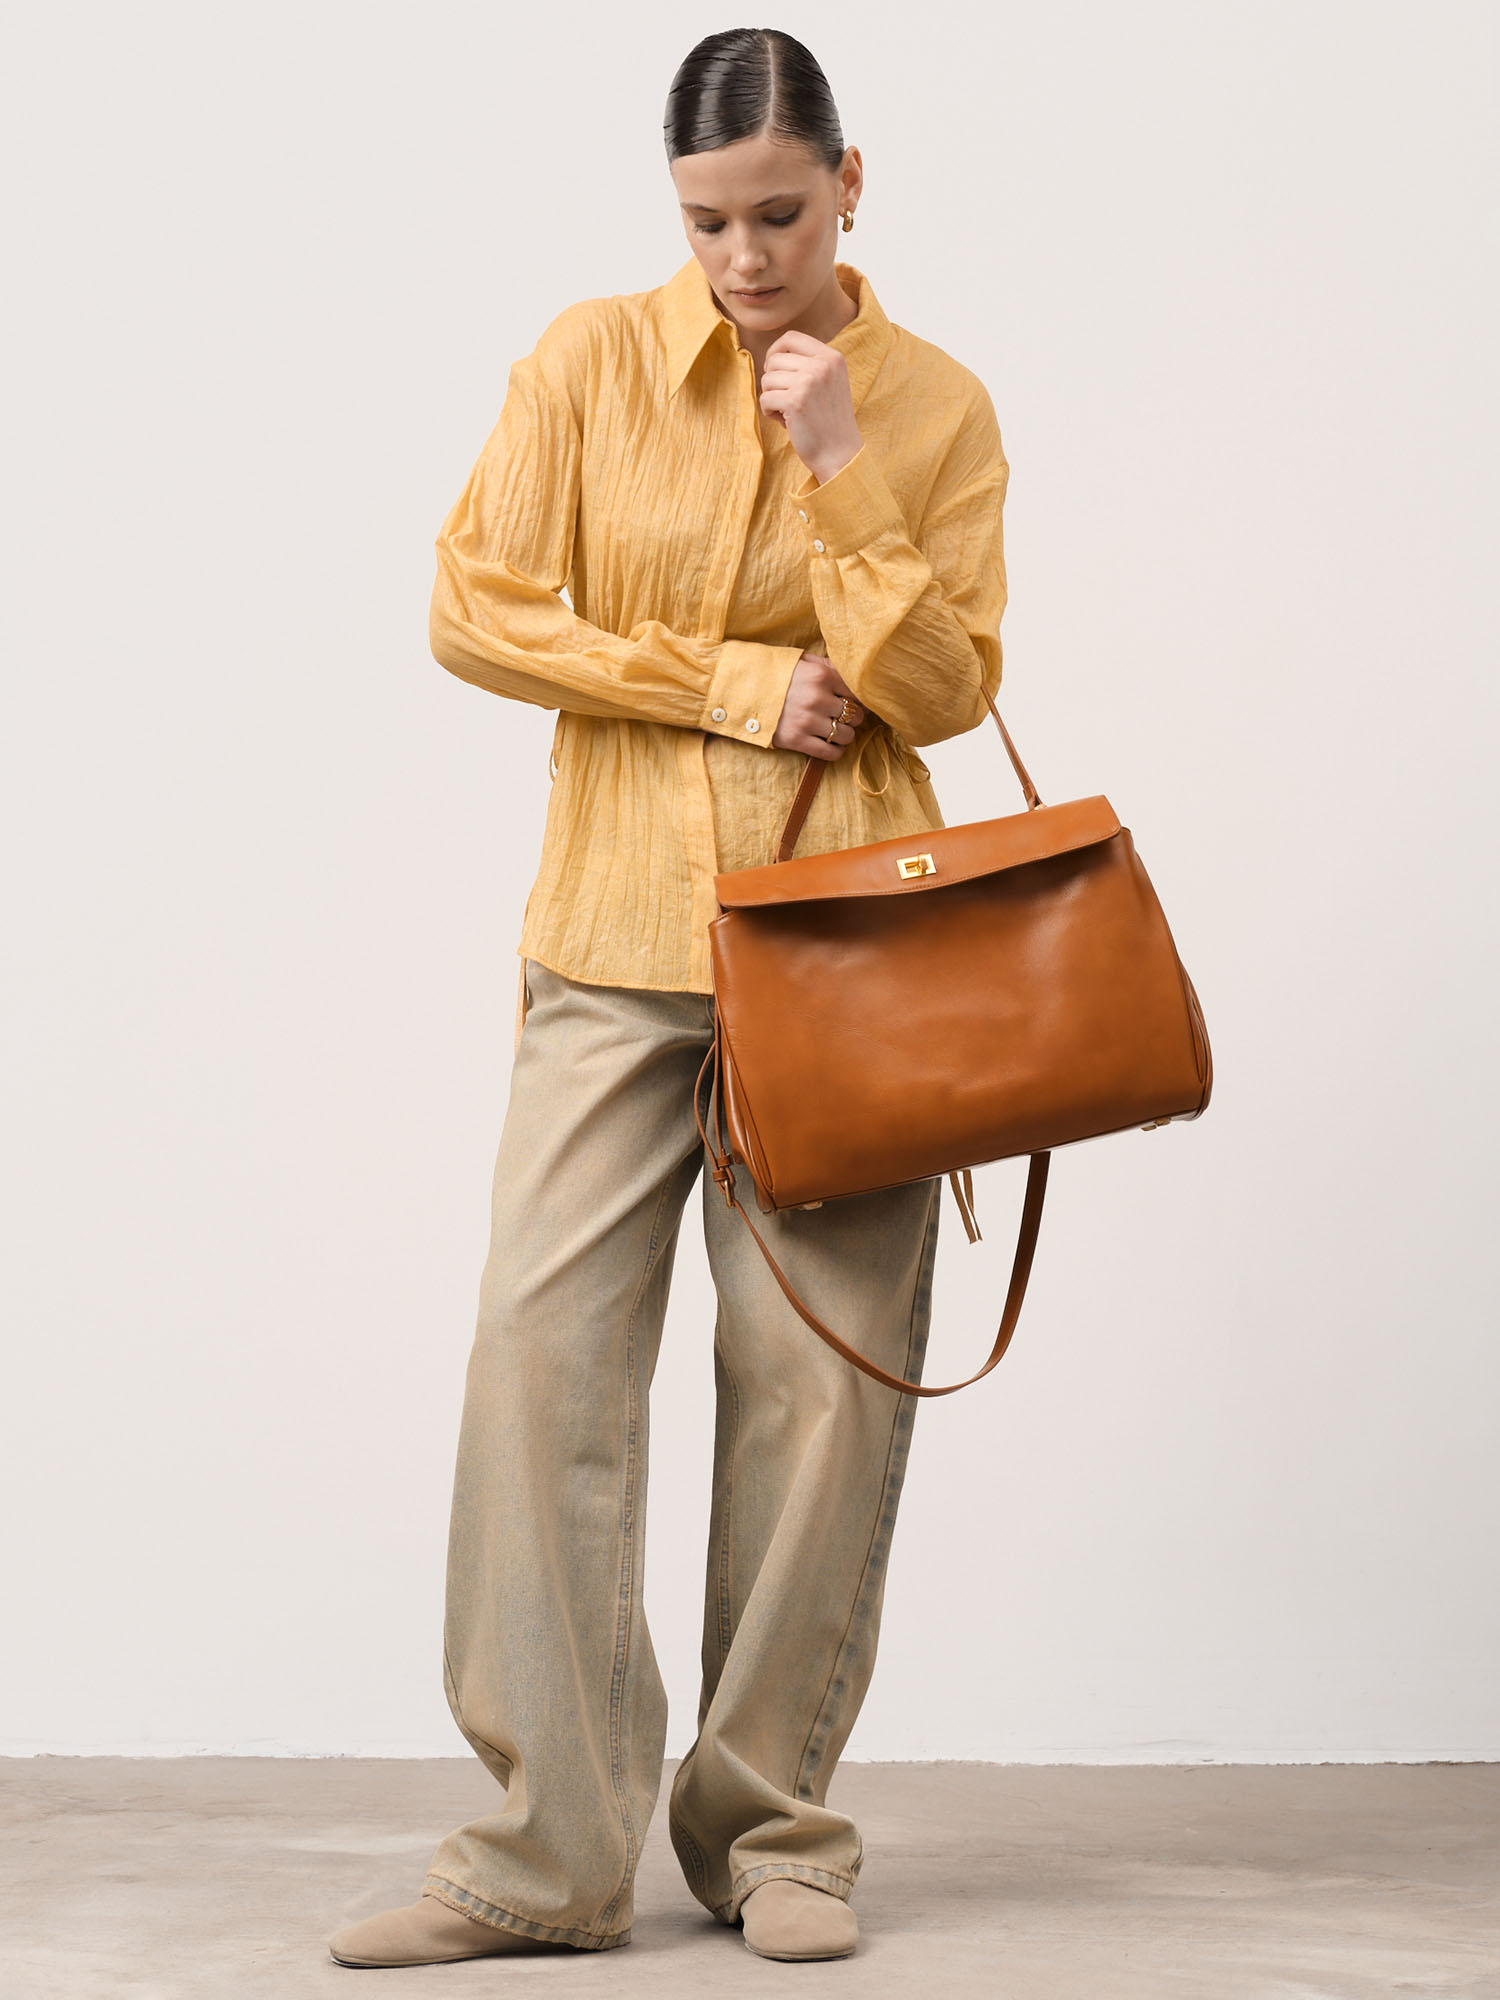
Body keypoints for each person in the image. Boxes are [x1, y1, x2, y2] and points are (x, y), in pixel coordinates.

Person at [328, 25, 1009, 1972]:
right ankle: (542, 1854)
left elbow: (950, 688)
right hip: (616, 936)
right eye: (709, 220)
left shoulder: (936, 405)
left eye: (779, 213)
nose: (744, 255)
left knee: (819, 1387)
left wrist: (844, 471)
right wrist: (728, 682)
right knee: (538, 1361)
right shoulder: (586, 362)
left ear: (850, 186)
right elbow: (474, 605)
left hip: (851, 949)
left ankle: (773, 1830)